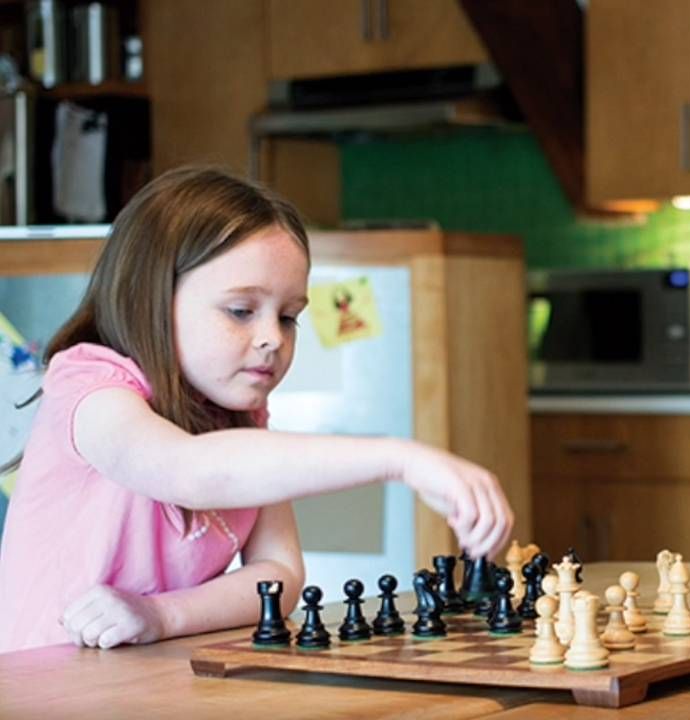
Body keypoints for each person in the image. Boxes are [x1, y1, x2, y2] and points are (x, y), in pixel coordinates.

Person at [0, 166, 514, 654]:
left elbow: (280, 574)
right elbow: (189, 471)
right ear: (152, 297)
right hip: (41, 692)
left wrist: (160, 616)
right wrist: (399, 459)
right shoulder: (88, 387)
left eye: (289, 317)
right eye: (241, 311)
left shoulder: (241, 417)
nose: (272, 338)